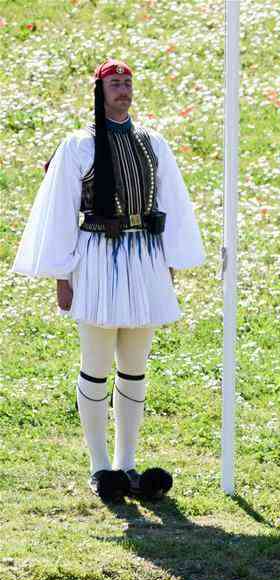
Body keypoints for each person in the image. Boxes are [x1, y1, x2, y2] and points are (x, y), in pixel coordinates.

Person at [12, 59, 205, 501]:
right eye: (115, 84)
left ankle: (127, 462)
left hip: (144, 257)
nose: (123, 90)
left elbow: (171, 200)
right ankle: (100, 466)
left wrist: (169, 262)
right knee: (96, 365)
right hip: (97, 256)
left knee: (135, 366)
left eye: (127, 83)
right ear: (100, 91)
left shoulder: (152, 142)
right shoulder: (78, 146)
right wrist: (62, 274)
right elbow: (60, 212)